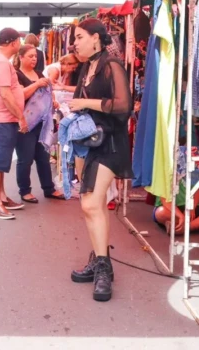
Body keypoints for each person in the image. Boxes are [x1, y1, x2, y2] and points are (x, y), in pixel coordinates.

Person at [67, 18, 134, 302]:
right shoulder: (87, 66)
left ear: (96, 38)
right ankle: (99, 259)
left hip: (111, 143)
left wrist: (85, 103)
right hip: (90, 142)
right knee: (93, 206)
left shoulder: (112, 64)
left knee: (91, 203)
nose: (75, 42)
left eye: (80, 36)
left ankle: (104, 267)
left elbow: (123, 106)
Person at [0, 28, 27, 220]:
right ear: (14, 42)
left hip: (0, 117)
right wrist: (20, 117)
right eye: (19, 41)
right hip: (2, 117)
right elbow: (6, 95)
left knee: (1, 161)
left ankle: (1, 197)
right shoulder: (1, 62)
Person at [14, 44, 66, 203]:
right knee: (25, 158)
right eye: (30, 56)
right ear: (21, 57)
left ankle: (48, 188)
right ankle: (24, 190)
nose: (34, 59)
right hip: (25, 122)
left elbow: (46, 94)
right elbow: (19, 96)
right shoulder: (16, 74)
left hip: (42, 123)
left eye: (35, 56)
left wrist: (53, 101)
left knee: (43, 157)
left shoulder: (38, 73)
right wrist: (36, 84)